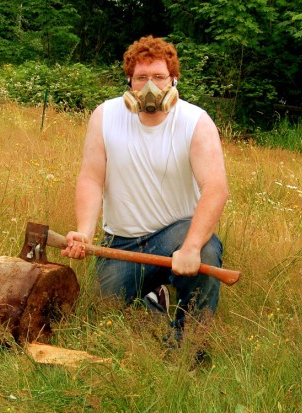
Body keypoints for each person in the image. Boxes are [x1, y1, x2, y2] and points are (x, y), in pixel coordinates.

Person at [61, 35, 228, 348]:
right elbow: (92, 178)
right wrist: (84, 232)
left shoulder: (196, 122)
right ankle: (152, 298)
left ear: (173, 79)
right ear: (129, 81)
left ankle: (187, 346)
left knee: (206, 251)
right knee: (102, 310)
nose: (150, 86)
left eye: (159, 77)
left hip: (177, 234)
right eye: (141, 78)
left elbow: (216, 188)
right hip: (122, 242)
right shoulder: (105, 116)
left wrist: (191, 246)